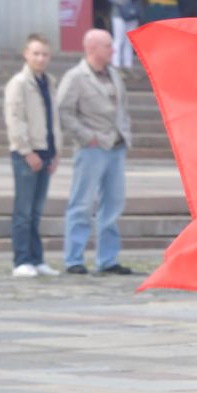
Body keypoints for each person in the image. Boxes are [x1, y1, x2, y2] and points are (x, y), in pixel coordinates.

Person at [56, 28, 136, 276]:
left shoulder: (113, 74)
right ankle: (74, 258)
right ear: (92, 48)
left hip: (115, 146)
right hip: (92, 147)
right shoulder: (76, 77)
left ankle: (107, 258)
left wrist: (125, 132)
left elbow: (122, 107)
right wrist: (85, 136)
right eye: (108, 46)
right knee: (81, 203)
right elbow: (63, 110)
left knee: (113, 204)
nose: (112, 50)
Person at [4, 34, 60, 277]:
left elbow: (53, 119)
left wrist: (56, 150)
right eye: (36, 53)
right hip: (26, 153)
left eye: (45, 54)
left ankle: (37, 258)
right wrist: (26, 150)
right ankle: (22, 259)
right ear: (26, 54)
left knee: (36, 211)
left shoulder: (49, 82)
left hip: (46, 151)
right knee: (23, 210)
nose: (40, 58)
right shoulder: (19, 83)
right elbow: (15, 119)